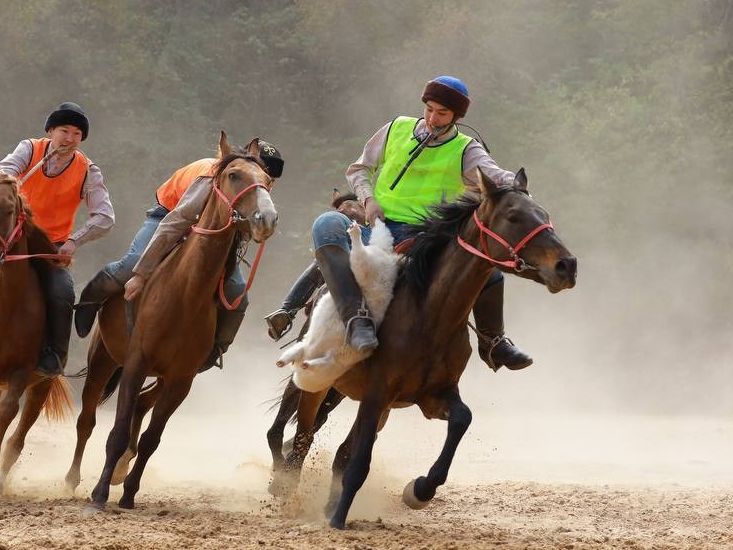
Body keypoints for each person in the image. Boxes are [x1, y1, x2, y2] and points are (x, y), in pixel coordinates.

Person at [305, 75, 532, 371]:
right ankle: (354, 318)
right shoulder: (395, 128)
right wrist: (368, 200)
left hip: (429, 237)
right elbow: (358, 169)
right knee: (326, 224)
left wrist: (522, 191)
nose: (432, 118)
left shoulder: (466, 149)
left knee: (484, 264)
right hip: (377, 229)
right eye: (429, 109)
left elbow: (497, 177)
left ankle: (494, 342)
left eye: (442, 113)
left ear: (456, 117)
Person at [0, 102, 115, 377]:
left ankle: (54, 356)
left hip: (50, 247)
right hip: (14, 238)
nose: (70, 138)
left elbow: (105, 217)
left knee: (62, 292)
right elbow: (3, 172)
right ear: (50, 131)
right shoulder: (29, 149)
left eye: (77, 134)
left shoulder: (88, 171)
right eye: (64, 131)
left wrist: (75, 241)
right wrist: (7, 181)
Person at [75, 140, 285, 370]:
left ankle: (216, 347)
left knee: (238, 294)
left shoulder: (257, 186)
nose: (266, 182)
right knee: (133, 263)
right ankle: (92, 298)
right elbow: (178, 221)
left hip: (209, 234)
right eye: (265, 173)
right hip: (169, 214)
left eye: (270, 179)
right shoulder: (216, 175)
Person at [263, 190, 365, 341]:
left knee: (320, 263)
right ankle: (285, 312)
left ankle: (287, 311)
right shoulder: (370, 206)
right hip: (369, 244)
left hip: (364, 244)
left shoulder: (348, 211)